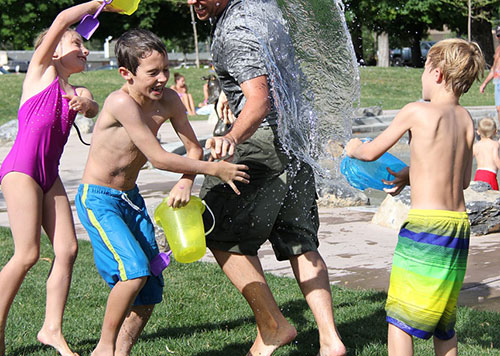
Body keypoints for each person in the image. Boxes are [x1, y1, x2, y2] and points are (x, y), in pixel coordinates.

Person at [74, 29, 249, 356]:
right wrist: (216, 169)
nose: (162, 78)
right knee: (134, 270)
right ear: (127, 74)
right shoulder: (120, 102)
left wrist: (186, 182)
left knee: (150, 286)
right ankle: (103, 348)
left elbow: (193, 148)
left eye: (165, 69)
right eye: (152, 72)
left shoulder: (169, 100)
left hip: (131, 199)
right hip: (98, 199)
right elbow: (157, 157)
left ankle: (120, 352)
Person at [187, 1, 346, 355]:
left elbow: (258, 100)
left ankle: (273, 325)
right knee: (299, 240)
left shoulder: (234, 31)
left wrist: (231, 136)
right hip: (297, 139)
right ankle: (330, 339)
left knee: (212, 226)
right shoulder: (262, 10)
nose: (193, 1)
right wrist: (230, 96)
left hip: (263, 142)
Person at [345, 38, 484, 356]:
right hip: (458, 227)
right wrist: (410, 174)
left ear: (436, 73)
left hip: (426, 228)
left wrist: (353, 148)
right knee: (443, 323)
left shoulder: (416, 111)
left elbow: (370, 152)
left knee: (400, 319)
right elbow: (462, 180)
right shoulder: (466, 120)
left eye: (423, 70)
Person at [0, 1, 105, 355]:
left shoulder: (76, 91)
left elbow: (91, 104)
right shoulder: (40, 72)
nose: (85, 49)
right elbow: (62, 19)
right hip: (21, 171)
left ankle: (51, 329)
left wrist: (89, 106)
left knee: (67, 249)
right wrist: (96, 4)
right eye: (78, 44)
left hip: (49, 176)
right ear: (56, 49)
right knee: (27, 254)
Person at [479, 26, 500, 123]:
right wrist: (485, 83)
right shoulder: (497, 50)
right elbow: (493, 69)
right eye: (499, 35)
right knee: (498, 109)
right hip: (497, 81)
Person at [473, 117, 500, 190]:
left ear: (478, 132)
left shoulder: (476, 146)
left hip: (478, 174)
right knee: (493, 198)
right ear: (495, 132)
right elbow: (496, 159)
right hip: (490, 175)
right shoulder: (494, 144)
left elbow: (467, 159)